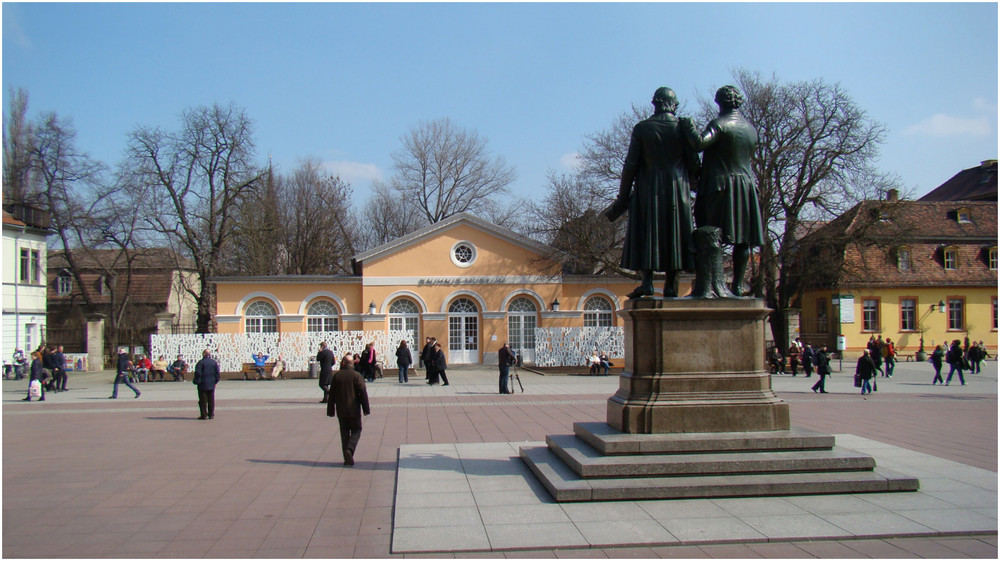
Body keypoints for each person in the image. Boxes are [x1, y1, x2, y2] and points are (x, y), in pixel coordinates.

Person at [604, 86, 699, 298]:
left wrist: (622, 198)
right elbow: (694, 164)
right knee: (676, 233)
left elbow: (630, 165)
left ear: (655, 103)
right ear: (674, 105)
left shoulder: (642, 129)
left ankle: (647, 282)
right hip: (677, 189)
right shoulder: (683, 128)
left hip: (648, 188)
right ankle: (671, 285)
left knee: (647, 232)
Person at [680, 85, 765, 296]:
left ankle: (707, 284)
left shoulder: (720, 124)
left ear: (720, 102)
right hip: (745, 187)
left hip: (720, 186)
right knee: (743, 238)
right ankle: (736, 284)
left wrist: (688, 127)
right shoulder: (751, 129)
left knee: (710, 234)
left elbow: (700, 143)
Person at [327, 354, 371, 466]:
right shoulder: (357, 376)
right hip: (354, 409)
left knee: (344, 433)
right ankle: (350, 449)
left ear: (343, 363)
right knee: (356, 430)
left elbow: (331, 395)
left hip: (341, 410)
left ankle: (347, 457)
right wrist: (366, 408)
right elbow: (363, 393)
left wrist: (330, 410)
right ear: (352, 364)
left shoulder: (337, 376)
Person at [193, 349, 220, 419]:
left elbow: (198, 373)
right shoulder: (214, 363)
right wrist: (215, 382)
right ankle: (211, 414)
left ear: (204, 354)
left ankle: (204, 414)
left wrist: (197, 380)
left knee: (203, 400)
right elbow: (217, 374)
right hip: (211, 384)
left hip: (202, 384)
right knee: (211, 400)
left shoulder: (201, 363)